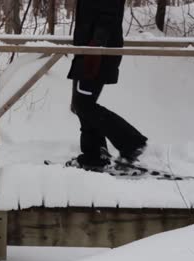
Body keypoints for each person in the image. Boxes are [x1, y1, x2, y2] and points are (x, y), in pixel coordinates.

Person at [66, 0, 148, 171]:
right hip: (90, 51)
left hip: (97, 53)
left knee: (83, 105)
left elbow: (109, 14)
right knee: (82, 105)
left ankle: (132, 143)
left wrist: (97, 44)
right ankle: (94, 156)